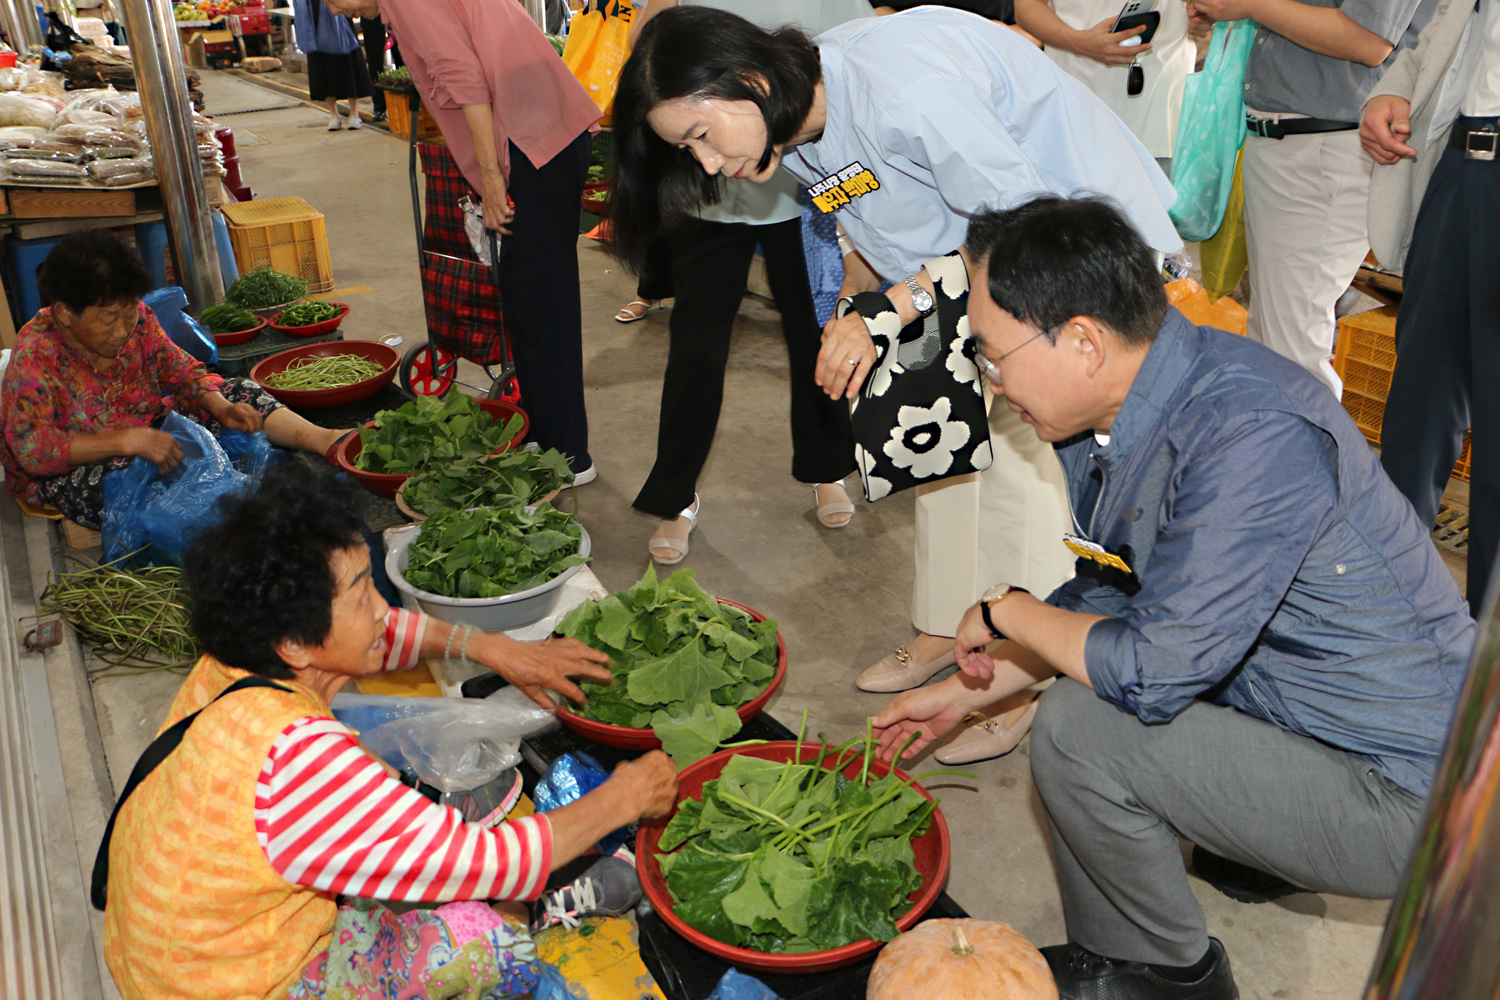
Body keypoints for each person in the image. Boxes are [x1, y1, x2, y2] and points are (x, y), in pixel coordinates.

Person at [872, 196, 1473, 1000]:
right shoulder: (1119, 408)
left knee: (1083, 732)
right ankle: (1251, 851)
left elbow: (1154, 667)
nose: (990, 380)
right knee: (1114, 672)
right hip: (1320, 717)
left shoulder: (1250, 433)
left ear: (1083, 340)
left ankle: (1158, 975)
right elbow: (1112, 589)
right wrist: (966, 692)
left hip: (1424, 795)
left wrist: (1004, 608)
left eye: (991, 354)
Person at [611, 5, 1179, 759]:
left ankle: (1020, 672)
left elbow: (1021, 226)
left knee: (1023, 478)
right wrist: (858, 299)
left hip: (1063, 263)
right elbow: (865, 213)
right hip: (963, 277)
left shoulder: (902, 91)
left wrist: (893, 307)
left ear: (747, 81)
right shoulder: (795, 125)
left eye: (702, 138)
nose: (710, 165)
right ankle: (950, 626)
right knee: (943, 457)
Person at [101, 464, 678, 1000]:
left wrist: (493, 648)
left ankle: (430, 853)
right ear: (296, 642)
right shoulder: (297, 762)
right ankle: (539, 913)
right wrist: (621, 798)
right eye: (360, 593)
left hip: (168, 957)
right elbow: (489, 866)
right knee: (480, 926)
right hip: (237, 985)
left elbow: (376, 637)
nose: (381, 609)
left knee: (395, 838)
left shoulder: (234, 662)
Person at [616, 0, 869, 563]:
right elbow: (653, 76)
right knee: (696, 351)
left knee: (818, 336)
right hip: (711, 203)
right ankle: (675, 496)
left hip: (803, 200)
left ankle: (827, 466)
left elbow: (845, 100)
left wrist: (846, 224)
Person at [323, 0, 603, 482]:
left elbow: (466, 80)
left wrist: (492, 181)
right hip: (535, 134)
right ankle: (541, 432)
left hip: (532, 141)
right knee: (522, 295)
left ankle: (570, 456)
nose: (331, 8)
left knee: (543, 304)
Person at [0, 229, 351, 530]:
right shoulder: (36, 353)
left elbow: (180, 369)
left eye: (129, 313)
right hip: (81, 467)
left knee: (237, 391)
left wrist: (220, 406)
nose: (123, 330)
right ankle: (238, 513)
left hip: (149, 427)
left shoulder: (137, 319)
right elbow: (34, 450)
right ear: (64, 312)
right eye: (109, 319)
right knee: (126, 481)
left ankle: (328, 442)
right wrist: (128, 441)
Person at [1187, 0, 1438, 396]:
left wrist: (1250, 4)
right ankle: (1280, 452)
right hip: (1288, 142)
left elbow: (1368, 38)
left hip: (1327, 146)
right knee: (1274, 343)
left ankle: (1305, 455)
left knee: (1293, 355)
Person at [1361, 0, 1499, 617]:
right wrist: (1388, 92)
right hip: (1458, 160)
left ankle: (1485, 660)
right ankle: (1388, 605)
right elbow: (1436, 36)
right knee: (1419, 400)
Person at [1016, 0, 1194, 171]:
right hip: (1076, 111)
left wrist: (1204, 18)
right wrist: (1078, 41)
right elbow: (1026, 5)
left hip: (1164, 119)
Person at [292, 0, 373, 130]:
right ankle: (333, 114)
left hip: (339, 17)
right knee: (321, 67)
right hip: (311, 17)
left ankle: (354, 113)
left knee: (348, 64)